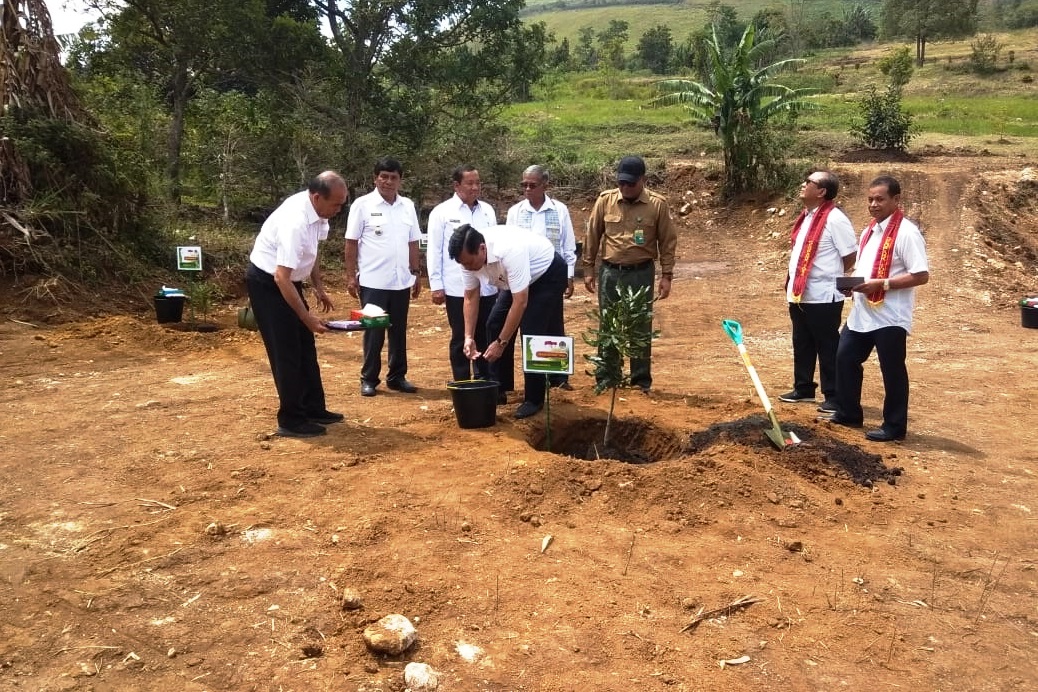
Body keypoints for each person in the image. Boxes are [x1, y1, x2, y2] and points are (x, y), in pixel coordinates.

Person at [827, 175, 930, 442]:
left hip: (890, 315)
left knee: (892, 370)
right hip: (862, 312)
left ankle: (894, 427)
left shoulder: (907, 232)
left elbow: (921, 275)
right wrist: (854, 285)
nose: (873, 204)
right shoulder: (869, 231)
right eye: (870, 199)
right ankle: (849, 413)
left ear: (896, 200)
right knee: (845, 358)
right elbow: (864, 269)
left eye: (880, 199)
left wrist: (881, 284)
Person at [246, 171, 347, 438]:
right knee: (286, 351)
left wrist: (318, 287)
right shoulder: (295, 221)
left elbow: (311, 252)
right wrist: (306, 317)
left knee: (305, 347)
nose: (339, 209)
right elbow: (281, 276)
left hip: (290, 281)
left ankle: (313, 408)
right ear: (317, 197)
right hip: (269, 283)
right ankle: (291, 420)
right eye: (336, 204)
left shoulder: (319, 214)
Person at [449, 224, 567, 419]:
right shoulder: (467, 260)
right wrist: (468, 336)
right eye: (464, 264)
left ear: (482, 248)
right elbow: (470, 296)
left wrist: (501, 343)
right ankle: (500, 386)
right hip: (516, 281)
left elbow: (520, 302)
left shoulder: (509, 250)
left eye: (470, 263)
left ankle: (534, 399)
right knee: (493, 324)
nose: (468, 268)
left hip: (547, 274)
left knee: (531, 333)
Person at [582, 155, 678, 394]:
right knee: (609, 324)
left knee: (639, 327)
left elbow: (667, 241)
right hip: (611, 274)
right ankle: (608, 377)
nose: (625, 188)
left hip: (640, 274)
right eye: (621, 183)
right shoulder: (606, 200)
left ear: (643, 180)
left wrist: (667, 275)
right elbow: (592, 234)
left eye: (630, 184)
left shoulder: (657, 205)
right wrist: (588, 268)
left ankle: (640, 382)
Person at [779, 169, 858, 414]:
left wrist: (829, 274)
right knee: (801, 340)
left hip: (823, 294)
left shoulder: (834, 219)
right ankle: (803, 387)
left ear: (822, 192)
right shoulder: (807, 216)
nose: (803, 185)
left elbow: (850, 255)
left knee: (826, 344)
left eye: (809, 182)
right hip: (801, 291)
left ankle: (833, 395)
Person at [345, 157, 423, 397]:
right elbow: (351, 242)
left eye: (393, 177)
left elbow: (413, 241)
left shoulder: (407, 205)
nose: (388, 182)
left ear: (400, 180)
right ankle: (369, 378)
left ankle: (397, 376)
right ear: (375, 178)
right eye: (384, 176)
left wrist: (416, 272)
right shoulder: (362, 205)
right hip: (373, 281)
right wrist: (350, 276)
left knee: (398, 331)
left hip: (401, 280)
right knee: (374, 331)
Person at [506, 164, 577, 390]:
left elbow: (568, 245)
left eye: (532, 185)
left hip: (552, 278)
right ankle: (537, 378)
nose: (527, 189)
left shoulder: (559, 210)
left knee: (554, 325)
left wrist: (569, 275)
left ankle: (558, 377)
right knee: (529, 326)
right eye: (523, 185)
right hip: (523, 279)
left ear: (545, 185)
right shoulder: (515, 212)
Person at [426, 165, 499, 383]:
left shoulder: (487, 210)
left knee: (486, 333)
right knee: (461, 336)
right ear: (456, 185)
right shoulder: (442, 212)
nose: (475, 187)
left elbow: (493, 244)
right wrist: (436, 285)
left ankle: (484, 379)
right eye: (470, 183)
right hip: (457, 287)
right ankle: (461, 382)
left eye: (478, 183)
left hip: (488, 285)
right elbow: (435, 250)